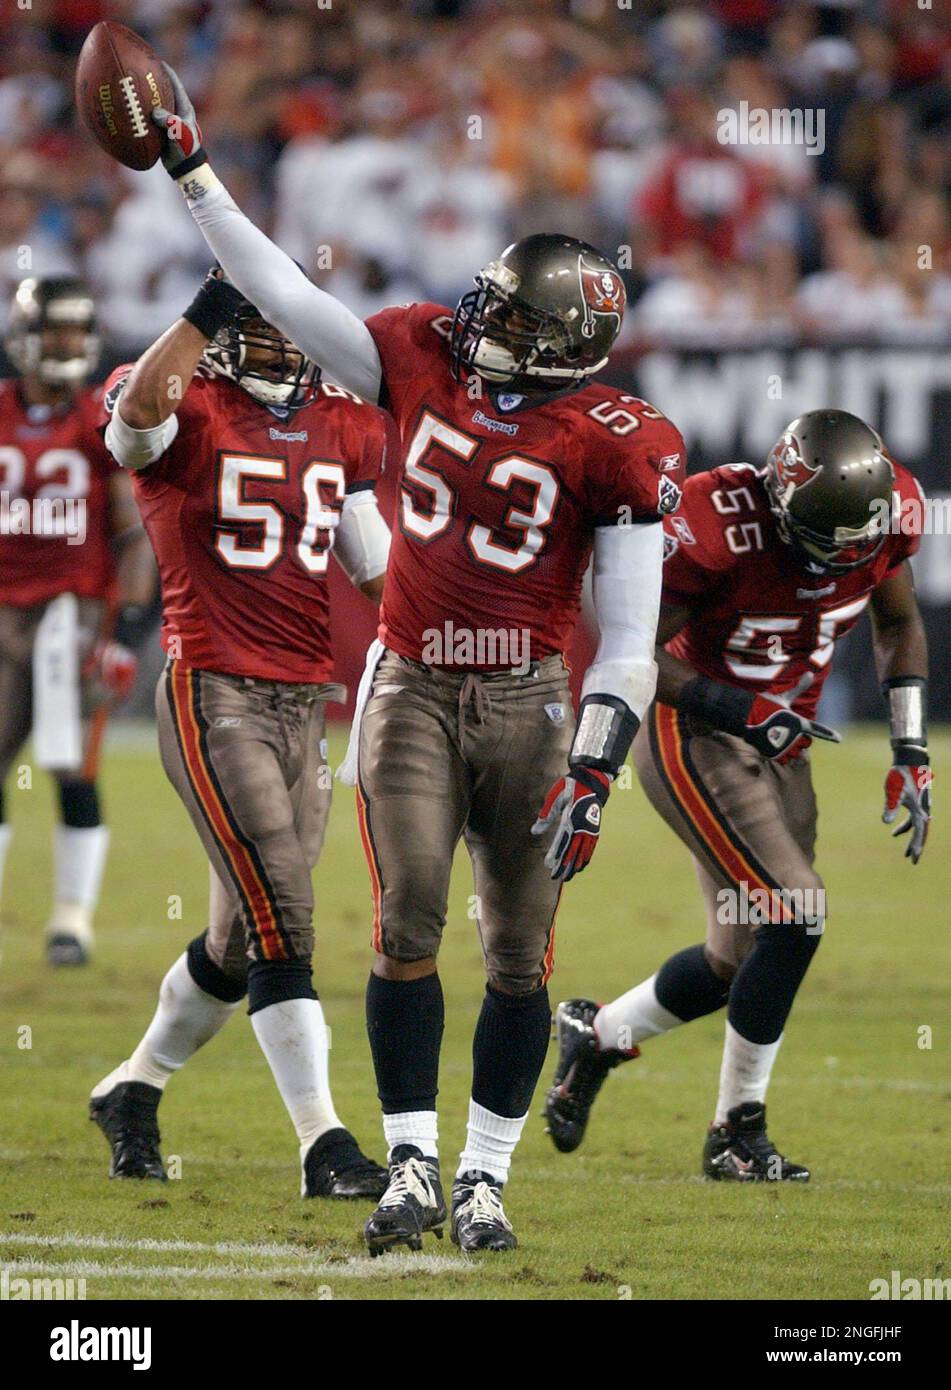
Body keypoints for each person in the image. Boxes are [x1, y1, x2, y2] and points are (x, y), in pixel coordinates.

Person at [130, 66, 686, 1253]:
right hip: (414, 683)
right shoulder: (415, 350)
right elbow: (275, 282)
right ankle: (411, 1164)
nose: (481, 322)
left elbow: (631, 638)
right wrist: (192, 172)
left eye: (515, 319)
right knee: (405, 929)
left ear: (566, 348)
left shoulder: (618, 443)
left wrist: (597, 766)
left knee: (522, 954)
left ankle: (487, 1175)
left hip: (535, 701)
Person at [545, 411, 932, 1180]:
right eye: (833, 541)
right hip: (699, 731)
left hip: (784, 740)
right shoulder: (715, 523)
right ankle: (735, 1131)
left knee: (737, 956)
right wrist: (739, 710)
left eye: (863, 538)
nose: (852, 556)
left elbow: (897, 623)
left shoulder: (883, 513)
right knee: (797, 910)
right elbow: (636, 651)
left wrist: (910, 746)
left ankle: (598, 1035)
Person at [90, 269, 391, 1201]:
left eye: (295, 328)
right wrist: (203, 309)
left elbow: (378, 568)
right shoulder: (187, 401)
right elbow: (137, 413)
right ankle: (323, 1143)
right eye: (262, 325)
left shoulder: (343, 426)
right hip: (211, 687)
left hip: (306, 700)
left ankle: (131, 1089)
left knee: (236, 937)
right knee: (284, 916)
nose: (286, 345)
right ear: (221, 332)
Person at [0, 275, 153, 965]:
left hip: (74, 613)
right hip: (2, 613)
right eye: (53, 331)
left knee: (72, 767)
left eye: (74, 331)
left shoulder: (99, 419)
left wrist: (122, 634)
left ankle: (71, 919)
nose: (64, 344)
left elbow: (132, 536)